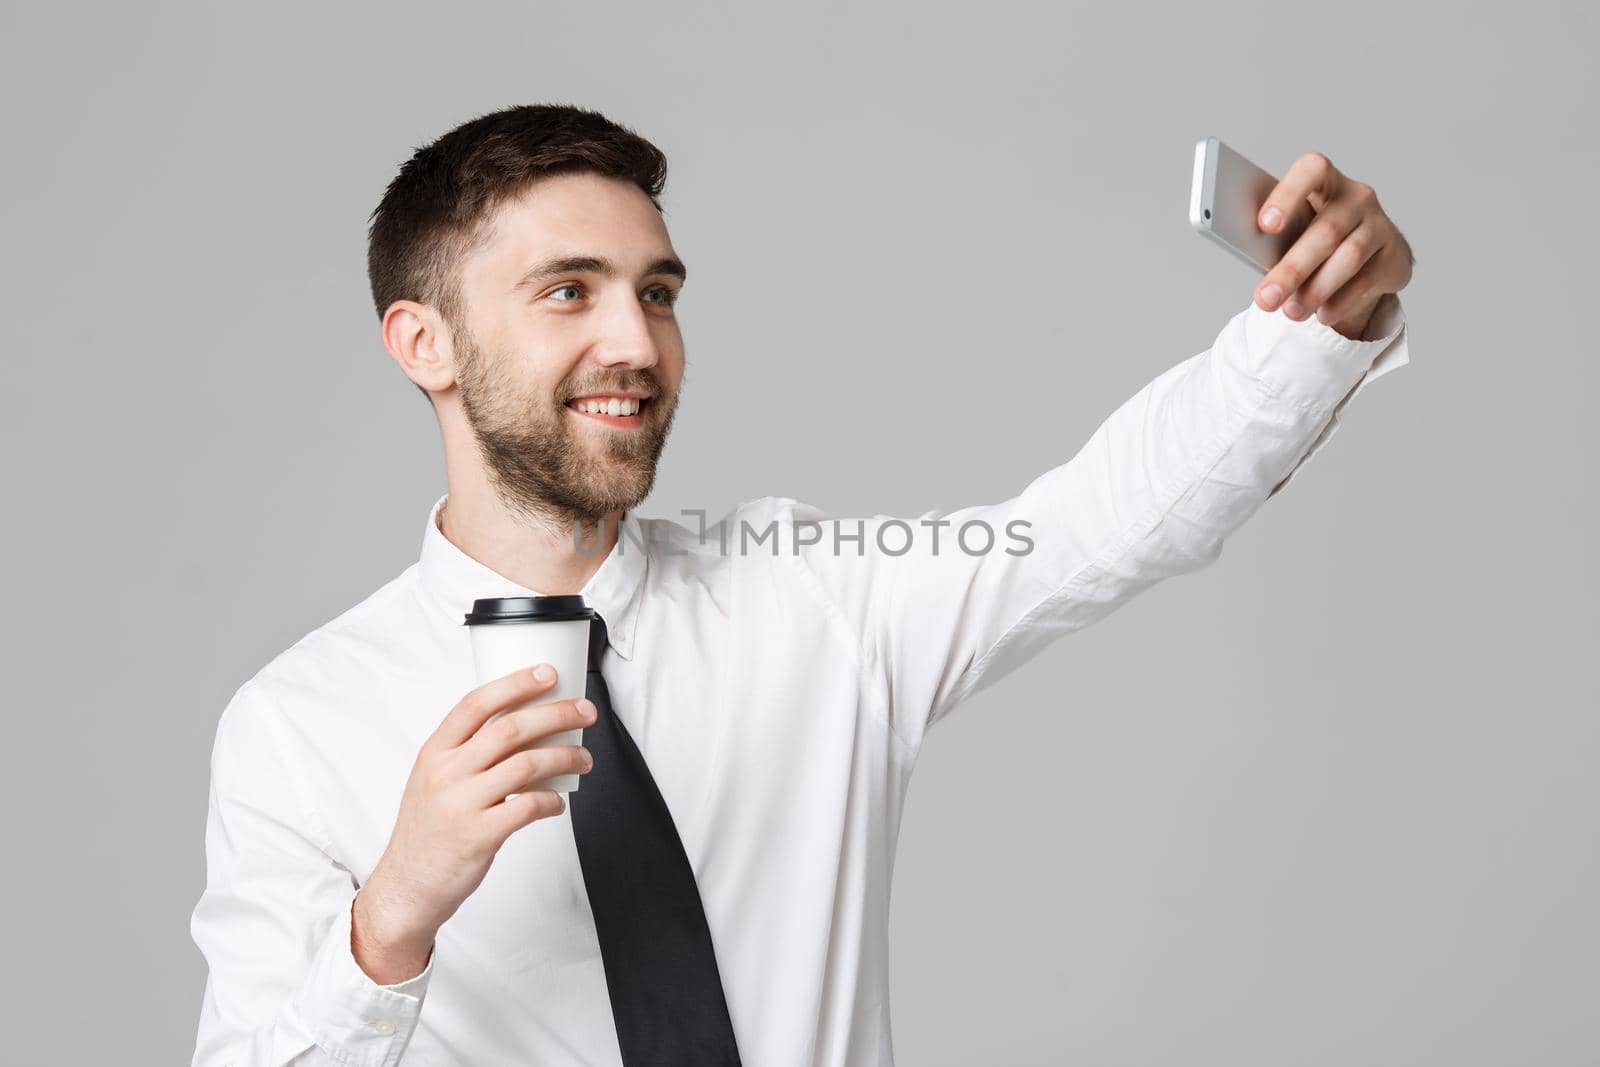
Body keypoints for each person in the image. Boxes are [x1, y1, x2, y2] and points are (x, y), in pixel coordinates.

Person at [189, 103, 1413, 1066]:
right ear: (425, 343)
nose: (635, 342)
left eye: (656, 292)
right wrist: (390, 917)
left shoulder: (810, 593)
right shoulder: (298, 728)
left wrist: (1317, 322)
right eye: (568, 289)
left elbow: (1091, 526)